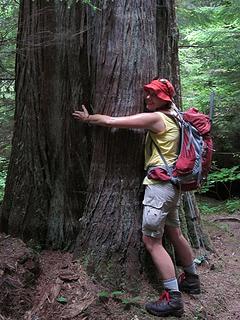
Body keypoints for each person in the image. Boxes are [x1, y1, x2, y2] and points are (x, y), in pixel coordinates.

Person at [73, 78, 200, 317]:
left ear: (163, 99)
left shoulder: (157, 119)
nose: (147, 99)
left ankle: (173, 299)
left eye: (152, 96)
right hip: (173, 187)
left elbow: (113, 122)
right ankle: (192, 280)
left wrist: (88, 119)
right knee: (175, 233)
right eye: (147, 94)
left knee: (152, 242)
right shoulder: (177, 116)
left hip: (160, 188)